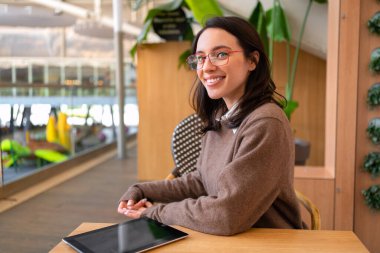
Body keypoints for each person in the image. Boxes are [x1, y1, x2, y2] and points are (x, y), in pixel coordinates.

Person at [118, 16, 304, 235]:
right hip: (227, 241)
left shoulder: (266, 123)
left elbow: (227, 215)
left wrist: (156, 212)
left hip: (269, 243)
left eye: (221, 54)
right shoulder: (221, 116)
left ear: (252, 60)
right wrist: (142, 190)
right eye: (200, 58)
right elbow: (201, 182)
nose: (206, 67)